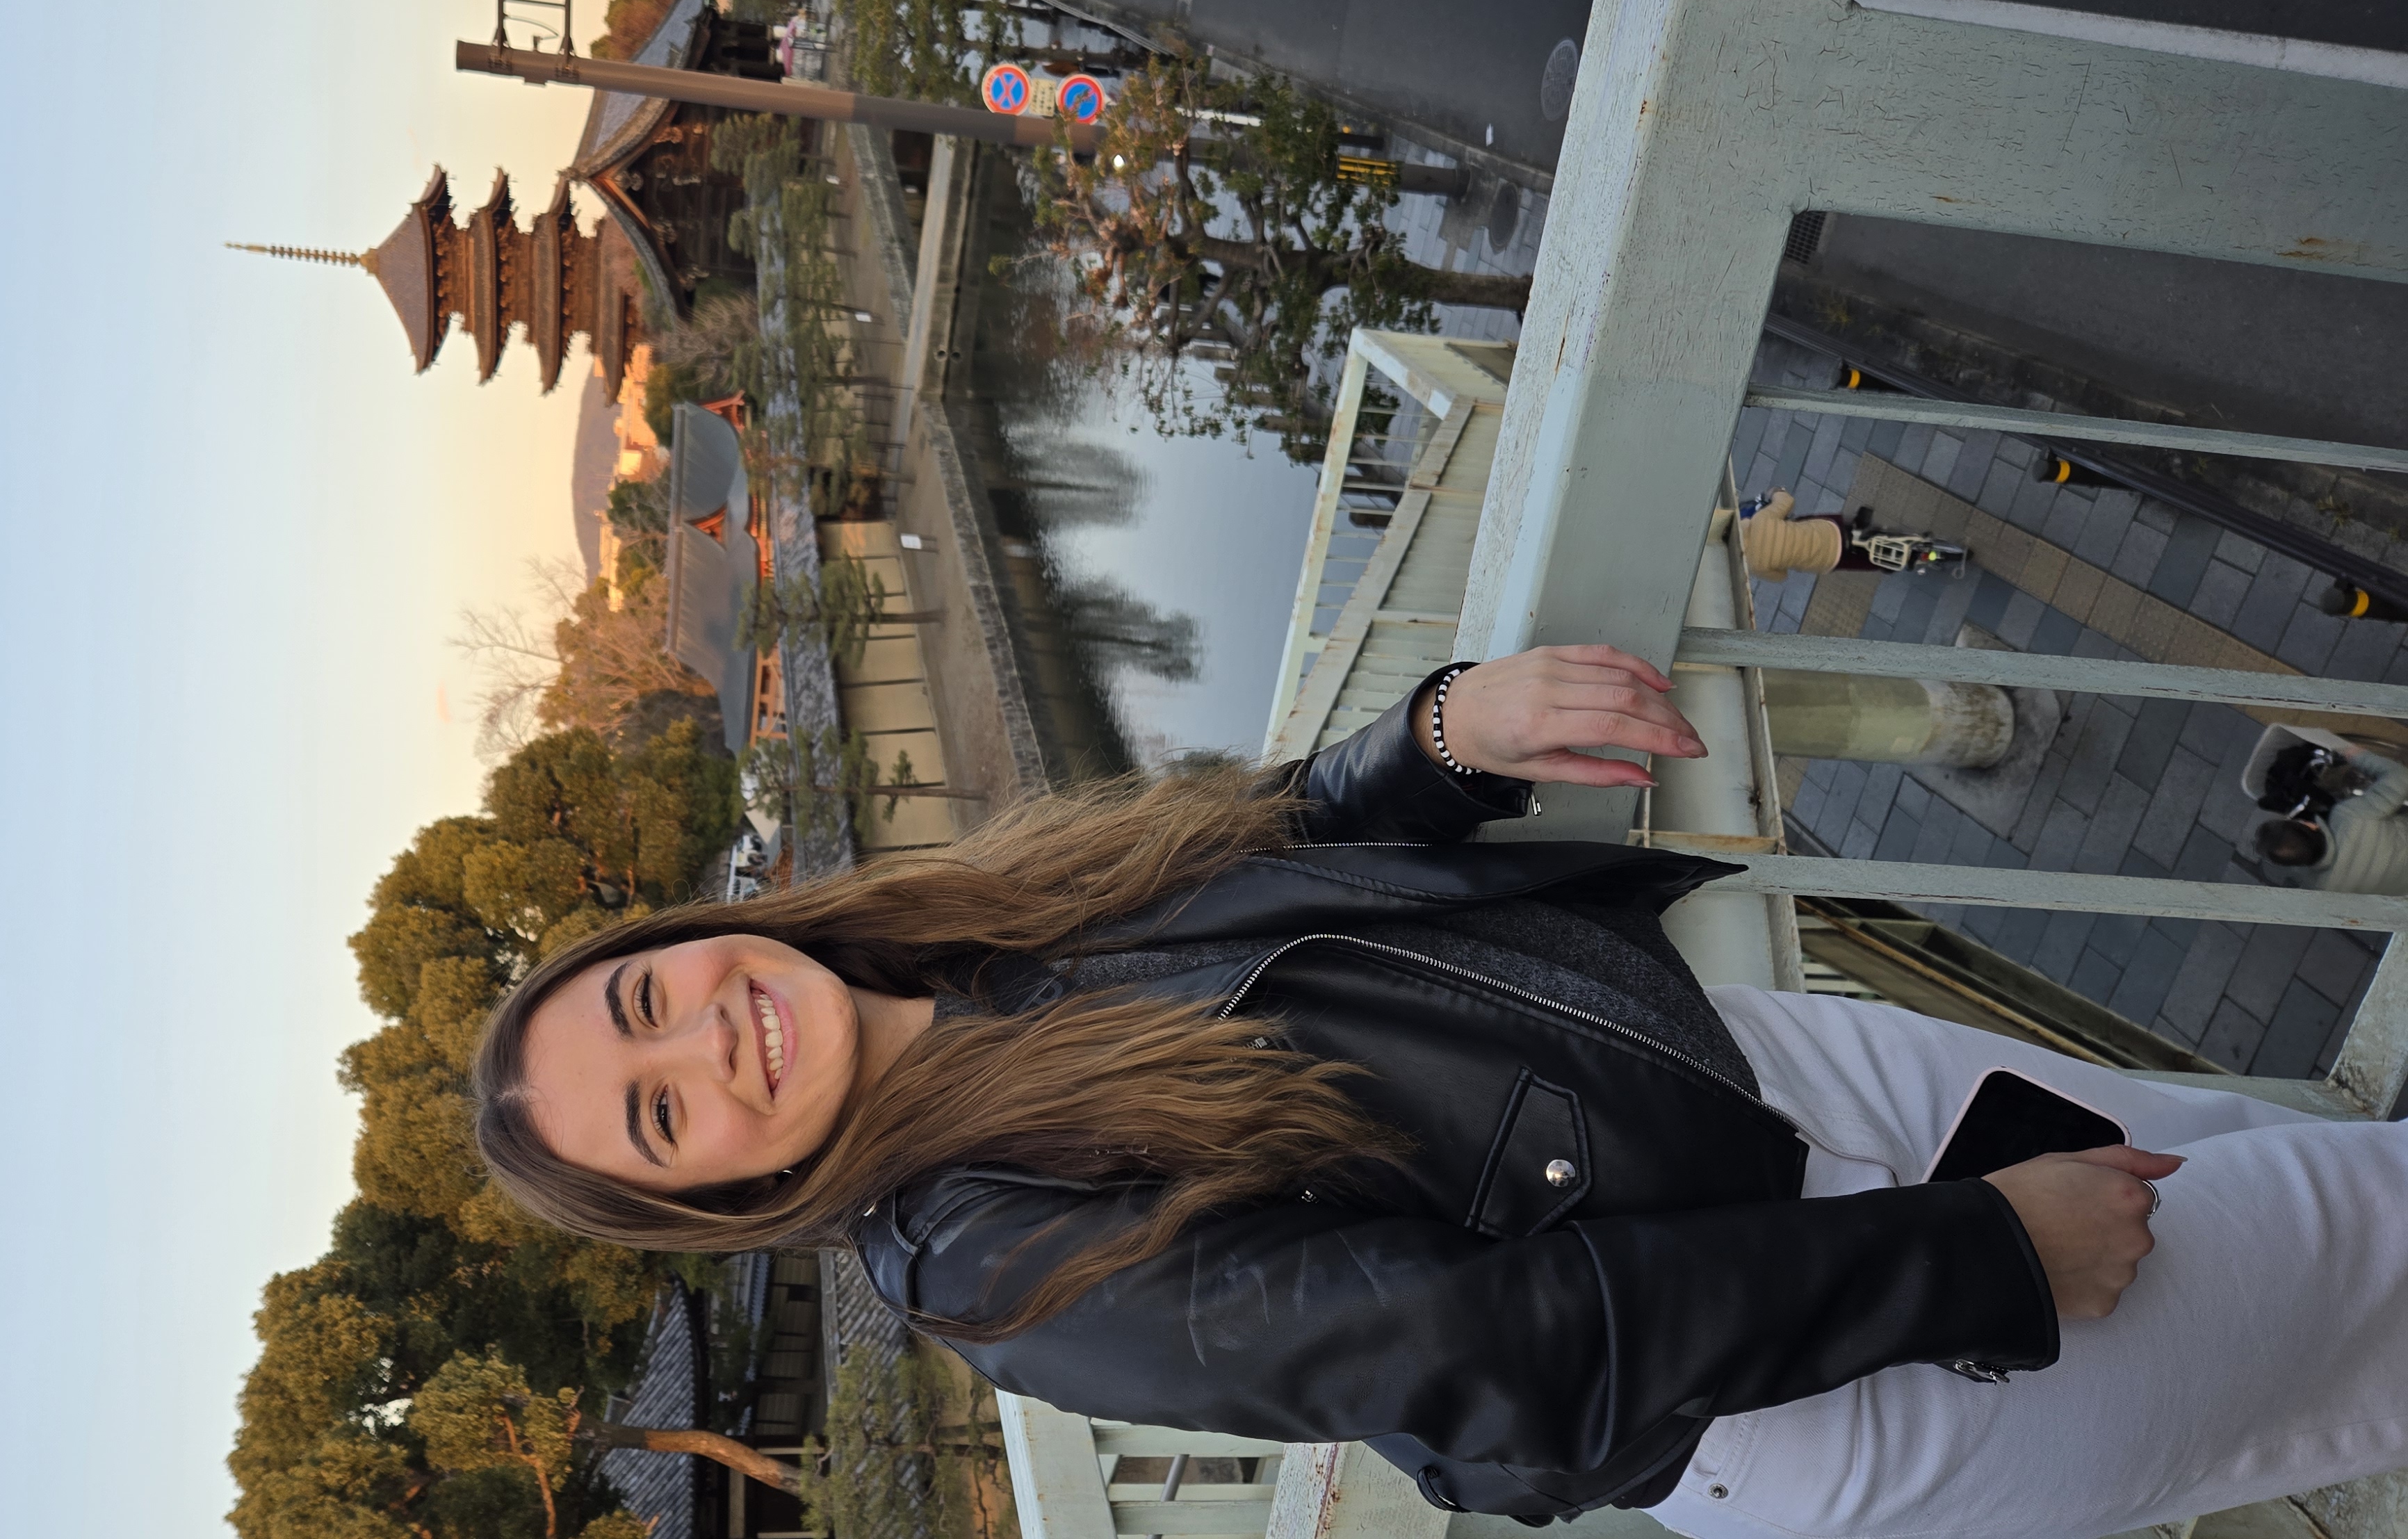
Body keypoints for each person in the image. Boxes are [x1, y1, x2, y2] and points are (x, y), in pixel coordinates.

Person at [469, 647, 2408, 1539]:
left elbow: (1282, 850)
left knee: (2337, 1218)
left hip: (1776, 1083)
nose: (702, 1036)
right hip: (1818, 1334)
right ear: (715, 1196)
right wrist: (1968, 1262)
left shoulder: (976, 925)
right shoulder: (996, 1267)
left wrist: (1435, 738)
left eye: (646, 994)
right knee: (2371, 1243)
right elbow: (1492, 1354)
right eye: (659, 1110)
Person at [2256, 747, 2408, 895]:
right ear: (2308, 824)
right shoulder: (2349, 817)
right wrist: (2359, 756)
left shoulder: (2322, 891)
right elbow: (2400, 778)